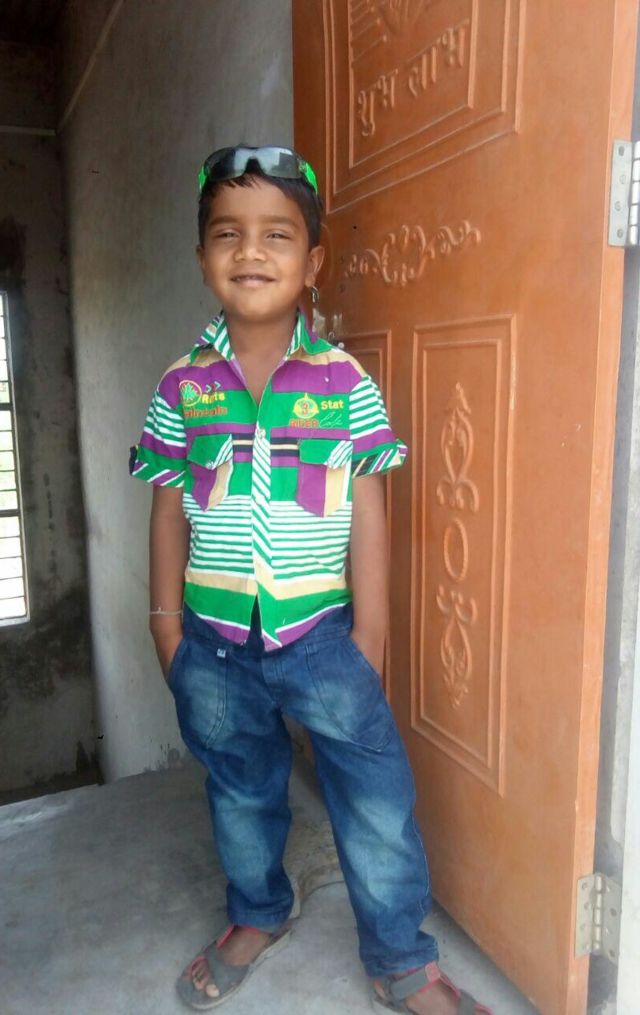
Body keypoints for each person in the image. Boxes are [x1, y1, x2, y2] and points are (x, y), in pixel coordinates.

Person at [130, 145, 491, 1014]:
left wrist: (370, 635)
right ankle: (259, 910)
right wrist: (165, 624)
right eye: (228, 233)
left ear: (313, 260)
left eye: (277, 234)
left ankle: (402, 959)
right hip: (213, 640)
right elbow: (169, 509)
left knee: (374, 798)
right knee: (239, 786)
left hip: (322, 636)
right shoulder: (182, 387)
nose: (251, 251)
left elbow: (368, 510)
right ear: (202, 257)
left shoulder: (345, 384)